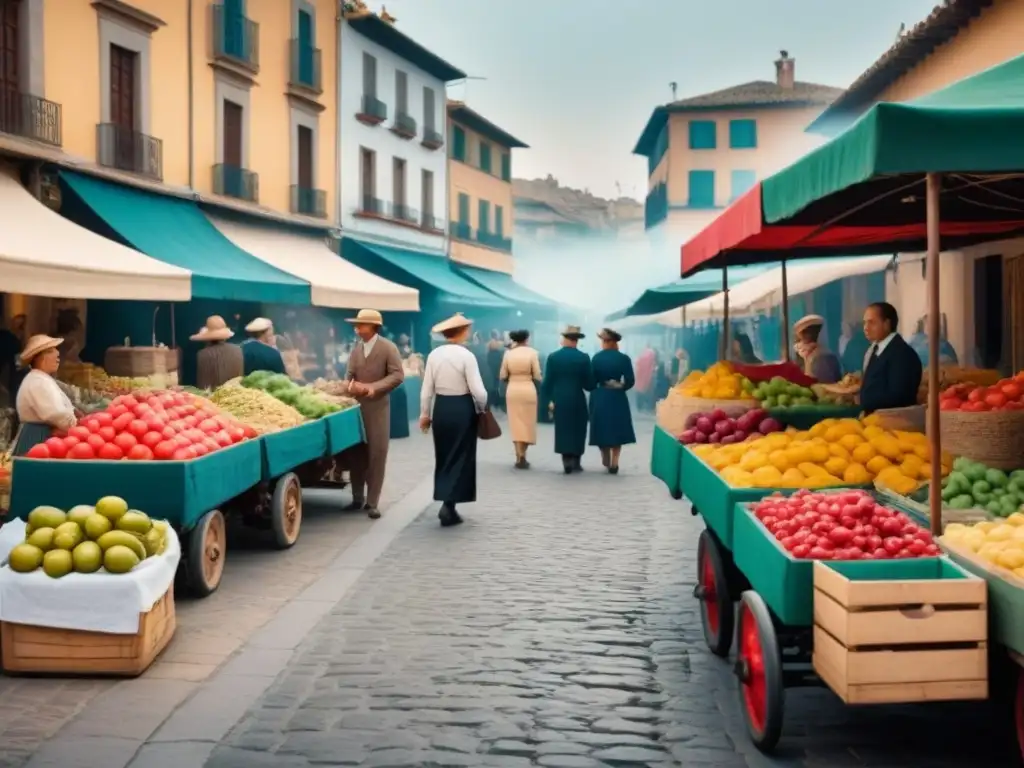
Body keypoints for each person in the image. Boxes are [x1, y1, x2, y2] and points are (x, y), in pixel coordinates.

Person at [419, 313, 488, 527]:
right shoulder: (467, 356)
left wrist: (425, 414)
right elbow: (479, 391)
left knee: (444, 455)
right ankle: (449, 505)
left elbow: (426, 390)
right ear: (463, 332)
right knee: (462, 456)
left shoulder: (433, 355)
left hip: (441, 408)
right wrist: (481, 408)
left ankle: (446, 500)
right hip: (462, 408)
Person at [342, 309, 404, 519]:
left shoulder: (388, 347)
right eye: (356, 324)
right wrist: (348, 385)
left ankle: (373, 502)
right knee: (356, 453)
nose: (357, 328)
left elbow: (397, 375)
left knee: (377, 454)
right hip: (356, 408)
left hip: (378, 408)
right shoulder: (355, 349)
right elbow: (349, 375)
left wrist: (372, 387)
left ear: (373, 327)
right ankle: (357, 498)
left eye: (361, 324)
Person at [13, 335, 78, 455]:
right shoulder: (37, 381)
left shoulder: (42, 379)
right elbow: (55, 413)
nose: (57, 355)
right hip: (37, 438)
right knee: (35, 470)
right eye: (50, 351)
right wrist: (74, 425)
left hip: (44, 436)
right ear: (40, 358)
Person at [542, 325, 594, 474]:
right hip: (577, 397)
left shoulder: (553, 357)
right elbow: (589, 384)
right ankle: (577, 460)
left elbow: (547, 382)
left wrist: (547, 400)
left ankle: (566, 459)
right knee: (578, 428)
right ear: (577, 340)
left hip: (560, 398)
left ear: (564, 338)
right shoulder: (583, 358)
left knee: (563, 428)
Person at [860, 302, 923, 414]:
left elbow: (898, 396)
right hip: (874, 422)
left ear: (887, 324)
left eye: (871, 323)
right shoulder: (875, 350)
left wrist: (866, 399)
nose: (866, 328)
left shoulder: (902, 354)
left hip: (895, 423)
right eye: (864, 323)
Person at [589, 328, 636, 475]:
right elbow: (630, 380)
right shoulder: (624, 359)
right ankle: (615, 461)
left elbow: (591, 380)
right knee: (617, 428)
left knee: (601, 427)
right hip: (617, 396)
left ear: (606, 342)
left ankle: (605, 456)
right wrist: (621, 386)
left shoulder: (596, 358)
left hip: (601, 395)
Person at [499, 329, 542, 469]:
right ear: (527, 339)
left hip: (513, 390)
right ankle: (523, 453)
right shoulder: (533, 353)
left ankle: (519, 455)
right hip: (528, 389)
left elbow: (502, 375)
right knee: (527, 423)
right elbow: (537, 375)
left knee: (516, 423)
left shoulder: (508, 354)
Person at [191, 315, 243, 390]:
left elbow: (203, 384)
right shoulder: (238, 349)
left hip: (213, 397)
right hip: (236, 394)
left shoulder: (203, 354)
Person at [793, 314, 842, 384]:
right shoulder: (801, 353)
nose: (805, 336)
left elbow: (826, 385)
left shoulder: (822, 355)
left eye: (808, 332)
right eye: (802, 333)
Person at [486, 330, 506, 411]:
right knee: (497, 386)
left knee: (492, 386)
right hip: (497, 368)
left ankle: (492, 402)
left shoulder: (488, 345)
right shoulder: (499, 345)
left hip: (491, 369)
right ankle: (496, 403)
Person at [634, 345, 656, 412]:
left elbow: (636, 367)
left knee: (639, 392)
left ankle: (640, 407)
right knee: (648, 392)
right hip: (647, 378)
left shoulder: (640, 357)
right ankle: (648, 407)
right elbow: (652, 367)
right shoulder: (651, 354)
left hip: (640, 378)